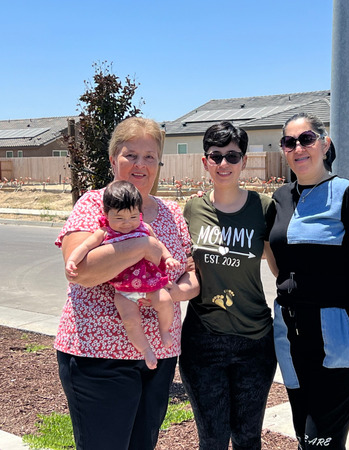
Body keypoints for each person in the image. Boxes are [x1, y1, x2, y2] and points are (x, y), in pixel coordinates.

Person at [55, 116, 199, 450]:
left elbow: (190, 274)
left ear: (159, 163)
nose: (140, 165)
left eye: (149, 157)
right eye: (130, 155)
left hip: (159, 356)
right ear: (113, 159)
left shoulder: (171, 212)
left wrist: (174, 291)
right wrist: (143, 245)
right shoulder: (93, 204)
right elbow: (80, 270)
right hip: (98, 356)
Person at [267, 112, 349, 450]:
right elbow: (276, 258)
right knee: (305, 437)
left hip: (336, 334)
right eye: (289, 142)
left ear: (324, 143)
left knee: (322, 442)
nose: (298, 148)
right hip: (290, 335)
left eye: (307, 139)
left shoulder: (347, 194)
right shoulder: (280, 198)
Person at [179, 121, 277, 449]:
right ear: (205, 161)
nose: (224, 163)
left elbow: (282, 266)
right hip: (203, 340)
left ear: (244, 161)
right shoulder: (193, 209)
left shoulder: (264, 208)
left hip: (255, 342)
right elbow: (181, 266)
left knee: (248, 439)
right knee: (213, 439)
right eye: (216, 156)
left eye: (233, 156)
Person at [65, 179, 180, 370]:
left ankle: (164, 329)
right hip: (123, 290)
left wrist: (168, 258)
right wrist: (72, 260)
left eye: (133, 216)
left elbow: (158, 245)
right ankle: (146, 350)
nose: (127, 223)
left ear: (139, 213)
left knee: (166, 301)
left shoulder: (145, 228)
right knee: (130, 320)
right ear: (106, 214)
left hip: (150, 283)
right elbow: (84, 247)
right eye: (119, 218)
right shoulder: (104, 233)